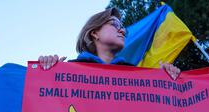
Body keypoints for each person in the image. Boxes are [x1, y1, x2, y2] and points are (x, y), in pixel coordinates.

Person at [38, 8, 180, 80]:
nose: (123, 30)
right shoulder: (69, 71)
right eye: (114, 24)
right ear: (95, 33)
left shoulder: (135, 76)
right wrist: (47, 73)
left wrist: (166, 82)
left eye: (123, 27)